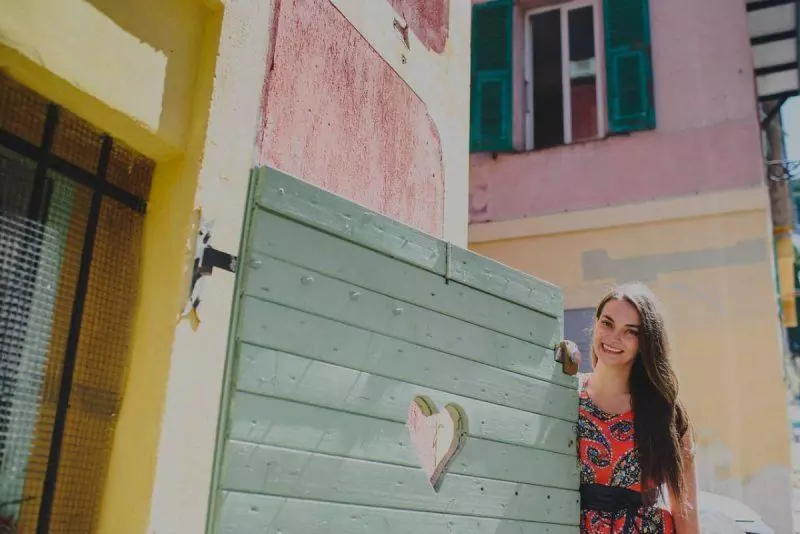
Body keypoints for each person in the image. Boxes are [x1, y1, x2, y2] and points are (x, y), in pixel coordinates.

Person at [563, 283, 700, 533]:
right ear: (595, 324)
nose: (614, 338)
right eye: (607, 323)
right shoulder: (563, 396)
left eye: (630, 332)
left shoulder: (666, 413)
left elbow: (686, 513)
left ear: (645, 342)